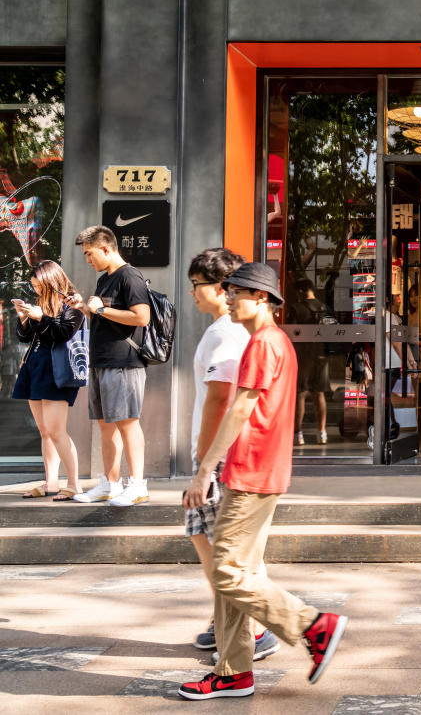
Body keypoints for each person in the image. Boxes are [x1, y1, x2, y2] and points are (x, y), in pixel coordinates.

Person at [179, 262, 346, 701]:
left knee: (228, 571)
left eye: (235, 291)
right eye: (227, 290)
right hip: (259, 471)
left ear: (261, 298)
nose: (228, 297)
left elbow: (239, 410)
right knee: (240, 570)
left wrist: (203, 470)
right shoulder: (274, 342)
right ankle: (233, 673)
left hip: (250, 472)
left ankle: (312, 626)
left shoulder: (263, 343)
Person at [182, 248, 277, 660]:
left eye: (197, 286)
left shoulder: (225, 332)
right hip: (232, 458)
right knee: (229, 548)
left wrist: (204, 463)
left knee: (218, 549)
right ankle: (233, 624)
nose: (193, 294)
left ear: (223, 290)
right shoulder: (241, 332)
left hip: (219, 458)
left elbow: (221, 399)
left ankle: (258, 628)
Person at [69, 226, 152, 508]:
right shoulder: (105, 279)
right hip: (102, 361)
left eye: (89, 254)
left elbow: (141, 318)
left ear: (106, 248)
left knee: (128, 423)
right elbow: (105, 316)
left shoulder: (130, 276)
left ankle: (137, 485)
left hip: (123, 362)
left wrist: (101, 309)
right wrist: (85, 308)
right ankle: (110, 484)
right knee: (106, 426)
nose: (87, 260)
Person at [12, 260, 84, 501]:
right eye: (33, 286)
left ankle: (73, 483)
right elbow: (25, 337)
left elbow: (63, 333)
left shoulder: (72, 304)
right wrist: (23, 317)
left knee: (56, 431)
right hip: (35, 367)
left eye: (39, 286)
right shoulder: (42, 305)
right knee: (44, 431)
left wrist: (41, 317)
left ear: (51, 282)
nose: (36, 290)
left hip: (57, 372)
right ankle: (51, 481)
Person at [288, 280, 329, 446]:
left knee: (300, 393)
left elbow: (290, 333)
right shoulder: (324, 308)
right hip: (321, 355)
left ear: (301, 290)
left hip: (302, 355)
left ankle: (298, 435)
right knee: (319, 393)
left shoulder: (296, 308)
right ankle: (322, 433)